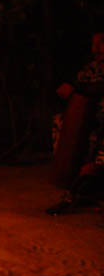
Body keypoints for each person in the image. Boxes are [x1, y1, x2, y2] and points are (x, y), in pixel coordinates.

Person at [46, 31, 104, 214]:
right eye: (94, 44)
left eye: (101, 43)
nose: (96, 49)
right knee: (62, 122)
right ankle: (75, 186)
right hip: (90, 119)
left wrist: (78, 89)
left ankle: (88, 181)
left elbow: (94, 88)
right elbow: (77, 87)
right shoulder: (91, 68)